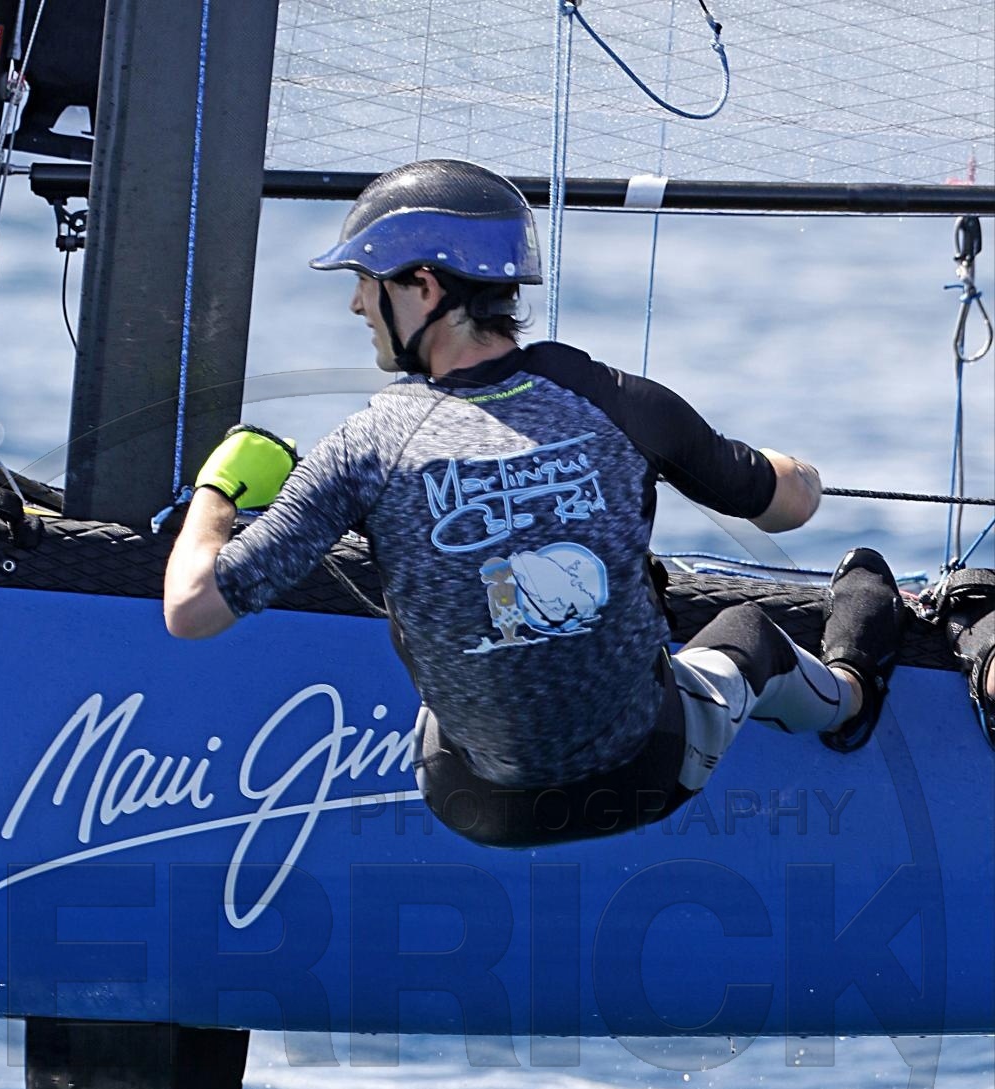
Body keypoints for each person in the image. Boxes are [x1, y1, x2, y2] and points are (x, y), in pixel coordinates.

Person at [164, 159, 913, 846]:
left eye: (367, 279)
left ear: (425, 286)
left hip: (472, 803)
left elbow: (191, 609)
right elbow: (790, 507)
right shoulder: (619, 402)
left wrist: (219, 488)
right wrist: (791, 471)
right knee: (747, 632)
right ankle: (851, 695)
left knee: (446, 611)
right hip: (646, 777)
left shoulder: (364, 446)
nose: (357, 303)